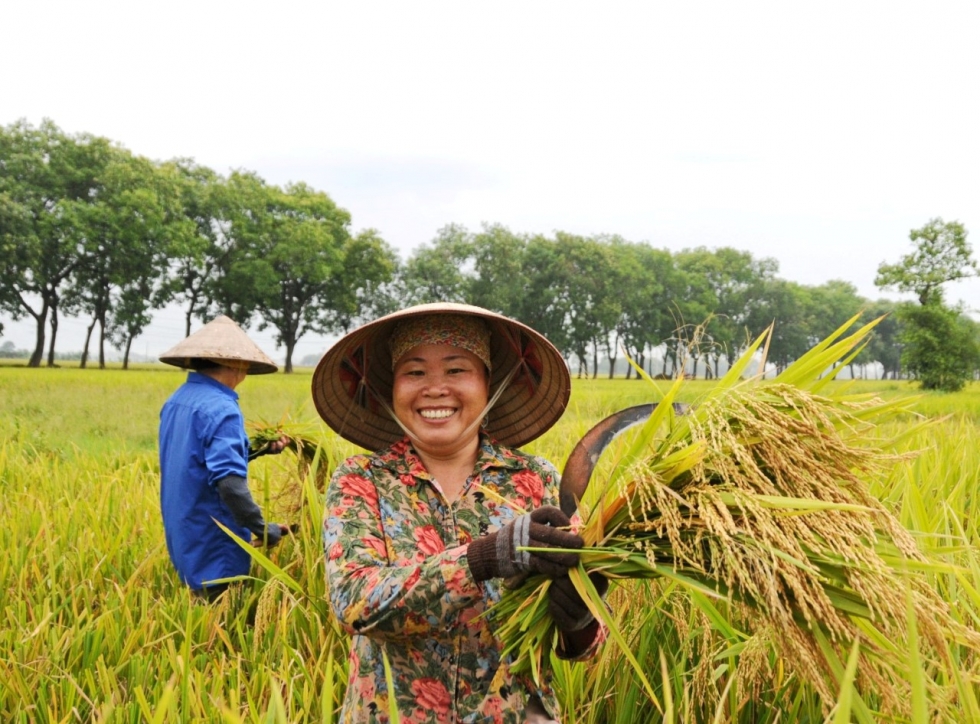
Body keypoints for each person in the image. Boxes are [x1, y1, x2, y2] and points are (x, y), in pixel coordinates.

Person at [312, 302, 606, 723]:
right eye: (414, 372)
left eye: (456, 370)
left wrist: (578, 618)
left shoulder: (535, 479)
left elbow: (588, 645)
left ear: (489, 384)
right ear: (391, 388)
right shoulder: (362, 480)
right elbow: (353, 602)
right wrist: (485, 558)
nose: (435, 388)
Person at [158, 315, 289, 601]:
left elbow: (198, 460)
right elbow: (229, 484)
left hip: (185, 532)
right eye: (245, 365)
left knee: (198, 615)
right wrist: (262, 529)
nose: (245, 373)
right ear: (233, 362)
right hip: (215, 542)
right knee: (221, 616)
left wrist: (260, 449)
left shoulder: (177, 401)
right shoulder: (222, 408)